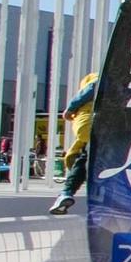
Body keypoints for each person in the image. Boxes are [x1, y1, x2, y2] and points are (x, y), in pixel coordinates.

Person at [47, 73, 100, 214]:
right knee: (87, 157)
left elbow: (92, 88)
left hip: (90, 126)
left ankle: (66, 192)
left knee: (84, 159)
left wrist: (70, 108)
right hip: (108, 127)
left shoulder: (99, 79)